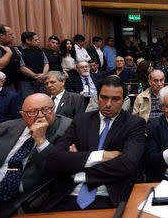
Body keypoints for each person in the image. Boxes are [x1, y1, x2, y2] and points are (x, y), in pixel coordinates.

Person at [41, 76, 146, 211]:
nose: (108, 104)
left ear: (124, 100)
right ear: (97, 97)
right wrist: (101, 156)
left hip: (108, 197)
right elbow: (54, 159)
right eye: (104, 97)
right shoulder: (81, 120)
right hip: (67, 195)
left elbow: (128, 164)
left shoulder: (134, 124)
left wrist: (81, 171)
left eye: (115, 99)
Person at [0, 93, 71, 213]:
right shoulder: (5, 128)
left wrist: (41, 140)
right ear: (23, 115)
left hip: (25, 199)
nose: (40, 115)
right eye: (32, 112)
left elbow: (59, 169)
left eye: (46, 109)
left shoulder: (67, 129)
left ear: (54, 108)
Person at [16, 32, 49, 98]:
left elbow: (46, 63)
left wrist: (43, 75)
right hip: (26, 82)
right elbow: (21, 67)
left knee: (44, 100)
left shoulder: (39, 49)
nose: (38, 41)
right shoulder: (18, 50)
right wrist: (35, 77)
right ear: (27, 40)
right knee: (29, 102)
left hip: (41, 81)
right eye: (36, 40)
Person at [0, 25, 21, 90]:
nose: (13, 36)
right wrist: (9, 53)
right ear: (1, 36)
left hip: (14, 81)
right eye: (10, 34)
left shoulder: (7, 46)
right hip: (1, 84)